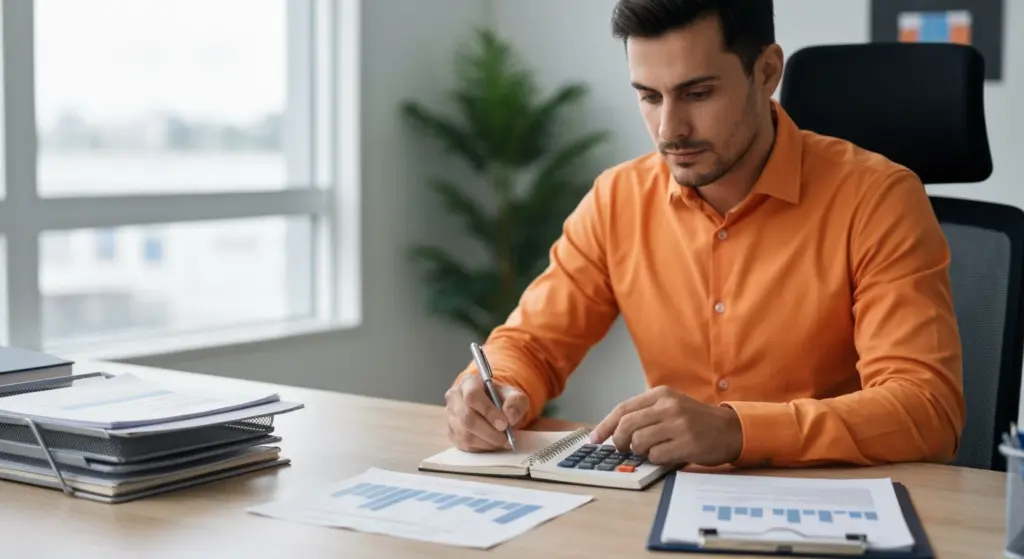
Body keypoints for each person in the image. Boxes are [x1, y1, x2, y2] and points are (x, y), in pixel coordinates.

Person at [443, 0, 965, 469]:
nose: (670, 128)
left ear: (766, 72)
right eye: (649, 96)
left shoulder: (878, 198)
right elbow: (531, 345)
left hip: (833, 504)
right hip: (666, 500)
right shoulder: (617, 199)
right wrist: (495, 389)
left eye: (697, 93)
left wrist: (738, 429)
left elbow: (926, 408)